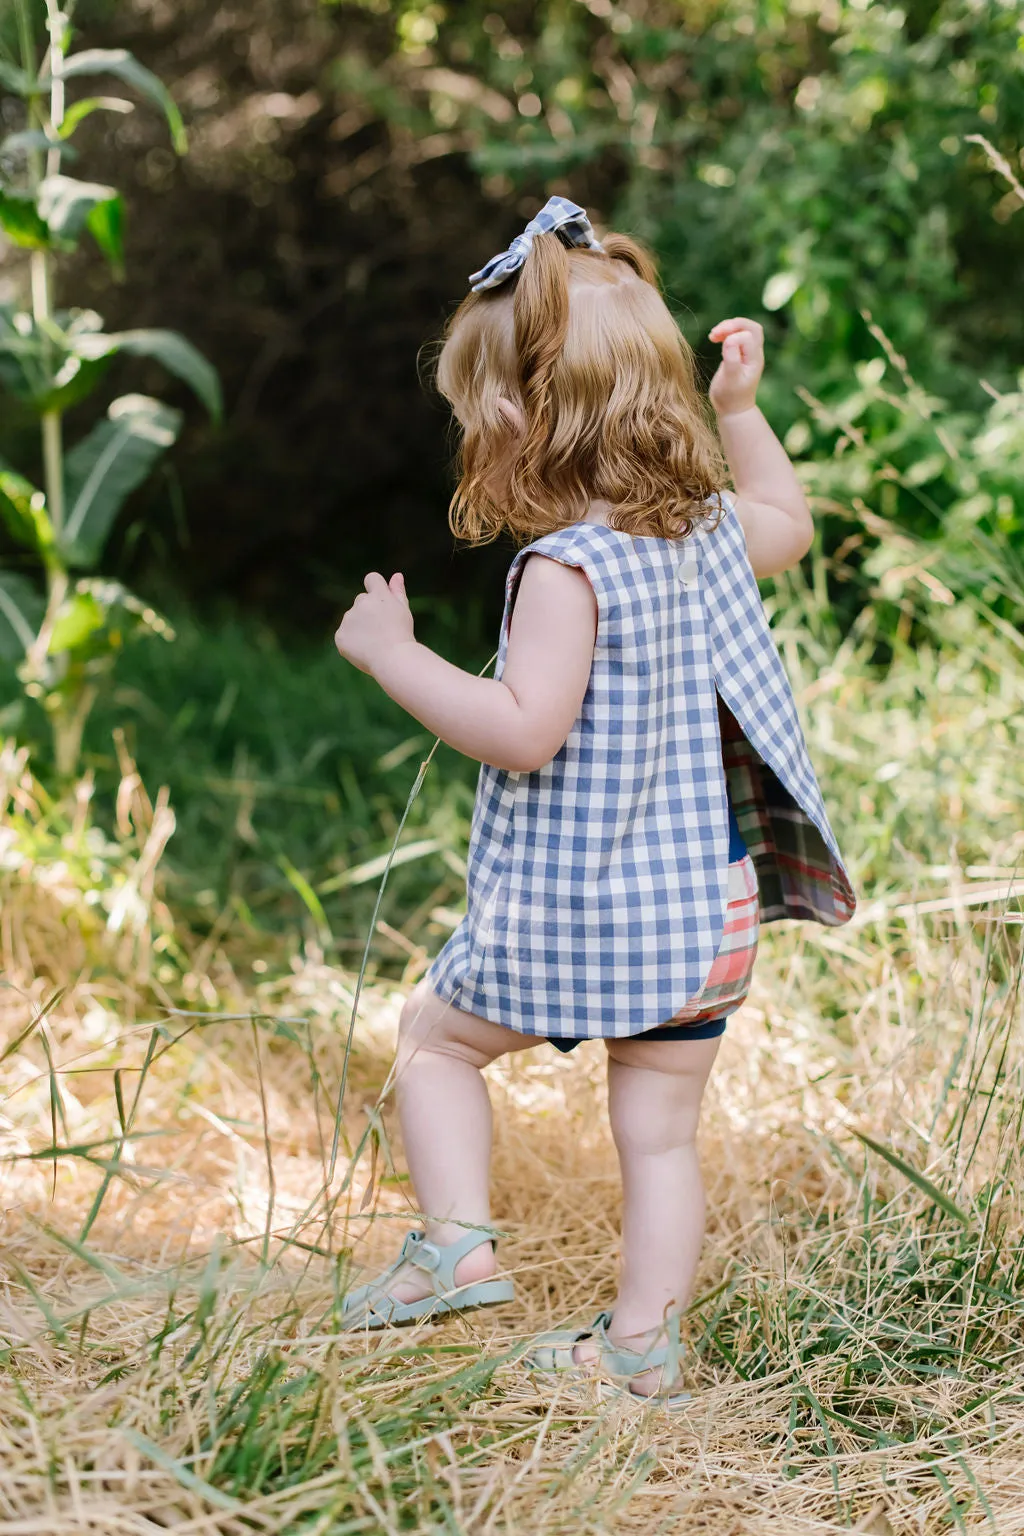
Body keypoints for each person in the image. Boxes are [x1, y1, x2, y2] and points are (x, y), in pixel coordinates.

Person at [334, 198, 855, 1405]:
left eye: (474, 411)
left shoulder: (568, 567)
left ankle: (457, 1242)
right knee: (660, 1137)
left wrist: (394, 655)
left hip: (594, 913)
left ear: (517, 419)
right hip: (707, 920)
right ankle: (638, 1349)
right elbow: (790, 518)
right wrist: (742, 412)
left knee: (434, 1042)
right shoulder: (708, 530)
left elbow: (523, 733)